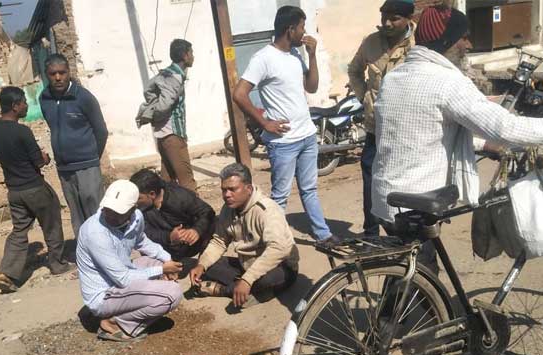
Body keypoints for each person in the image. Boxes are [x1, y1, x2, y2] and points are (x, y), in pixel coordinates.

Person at [372, 6, 543, 272]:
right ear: (446, 41)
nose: (469, 44)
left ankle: (394, 313)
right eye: (463, 37)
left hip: (385, 198)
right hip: (416, 203)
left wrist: (483, 145)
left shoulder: (394, 77)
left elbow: (422, 132)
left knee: (404, 275)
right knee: (420, 281)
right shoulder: (447, 81)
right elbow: (504, 127)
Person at [233, 6, 336, 245]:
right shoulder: (264, 58)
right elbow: (239, 94)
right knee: (280, 197)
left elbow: (311, 87)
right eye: (302, 27)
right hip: (284, 142)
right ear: (290, 30)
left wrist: (311, 55)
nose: (304, 32)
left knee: (309, 190)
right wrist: (264, 123)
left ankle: (324, 235)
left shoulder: (296, 55)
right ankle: (274, 242)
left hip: (307, 135)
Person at [0, 87, 72, 293]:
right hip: (34, 187)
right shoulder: (22, 131)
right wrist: (45, 157)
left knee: (19, 231)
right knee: (51, 224)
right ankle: (58, 264)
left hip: (14, 191)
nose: (26, 105)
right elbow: (38, 161)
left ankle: (6, 273)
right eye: (24, 102)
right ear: (15, 106)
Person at [76, 180, 184, 341]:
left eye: (118, 212)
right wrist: (162, 270)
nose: (110, 215)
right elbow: (123, 279)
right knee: (173, 294)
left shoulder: (136, 218)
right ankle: (115, 324)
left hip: (121, 277)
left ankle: (129, 312)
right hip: (104, 294)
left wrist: (168, 261)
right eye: (108, 210)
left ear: (133, 209)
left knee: (157, 264)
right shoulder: (95, 232)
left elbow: (142, 242)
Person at [189, 163, 299, 309]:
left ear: (248, 188)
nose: (227, 195)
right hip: (247, 265)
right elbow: (219, 242)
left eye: (232, 189)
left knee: (270, 278)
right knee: (206, 260)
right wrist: (201, 265)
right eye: (224, 190)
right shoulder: (228, 209)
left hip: (277, 266)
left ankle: (224, 290)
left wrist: (247, 279)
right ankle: (247, 290)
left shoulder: (267, 210)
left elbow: (279, 248)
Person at [348, 0, 415, 237]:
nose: (386, 22)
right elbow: (354, 70)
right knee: (371, 180)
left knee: (402, 184)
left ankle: (403, 234)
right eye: (384, 16)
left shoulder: (419, 45)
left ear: (408, 18)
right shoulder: (370, 42)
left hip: (406, 130)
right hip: (375, 128)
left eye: (394, 18)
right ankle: (371, 231)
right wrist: (363, 96)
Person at [39, 53, 109, 239]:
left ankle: (105, 250)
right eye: (53, 73)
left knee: (95, 212)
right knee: (76, 215)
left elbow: (101, 131)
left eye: (62, 72)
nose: (58, 77)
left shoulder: (84, 98)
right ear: (47, 74)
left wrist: (93, 156)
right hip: (64, 168)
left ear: (69, 72)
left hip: (87, 166)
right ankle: (85, 253)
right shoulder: (44, 98)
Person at [136, 39, 197, 192]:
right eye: (191, 53)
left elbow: (148, 90)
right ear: (185, 56)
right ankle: (198, 215)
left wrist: (153, 108)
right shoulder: (174, 78)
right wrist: (156, 114)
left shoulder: (166, 73)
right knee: (187, 182)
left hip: (164, 135)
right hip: (173, 135)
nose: (193, 56)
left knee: (167, 182)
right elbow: (164, 106)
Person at [129, 169, 215, 260]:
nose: (134, 201)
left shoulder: (180, 196)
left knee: (213, 224)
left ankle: (203, 264)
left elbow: (207, 212)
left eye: (138, 198)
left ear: (152, 194)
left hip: (191, 243)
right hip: (165, 246)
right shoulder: (138, 209)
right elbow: (143, 232)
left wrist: (196, 230)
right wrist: (169, 237)